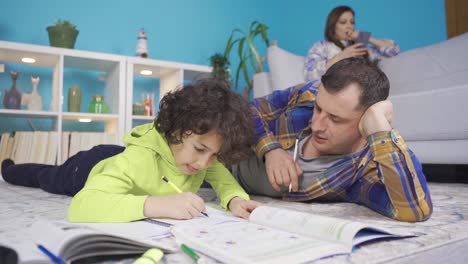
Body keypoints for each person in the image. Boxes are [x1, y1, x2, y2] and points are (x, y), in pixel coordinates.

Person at [1, 78, 261, 222]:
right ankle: (10, 169)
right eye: (200, 149)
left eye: (214, 154)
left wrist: (234, 199)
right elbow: (81, 206)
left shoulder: (203, 158)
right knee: (47, 176)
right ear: (176, 130)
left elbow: (220, 176)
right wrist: (155, 205)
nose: (205, 163)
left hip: (121, 157)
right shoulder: (138, 160)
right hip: (87, 168)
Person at [233, 57, 432, 222]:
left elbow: (414, 210)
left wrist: (380, 129)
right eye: (318, 109)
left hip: (225, 186)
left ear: (365, 119)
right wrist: (270, 150)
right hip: (217, 155)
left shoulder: (361, 173)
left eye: (335, 119)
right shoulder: (310, 93)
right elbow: (245, 109)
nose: (317, 125)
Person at [304, 5, 400, 81]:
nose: (349, 26)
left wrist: (367, 38)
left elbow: (394, 51)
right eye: (343, 22)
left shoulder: (359, 48)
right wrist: (341, 56)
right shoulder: (321, 46)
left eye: (352, 22)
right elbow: (310, 75)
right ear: (333, 26)